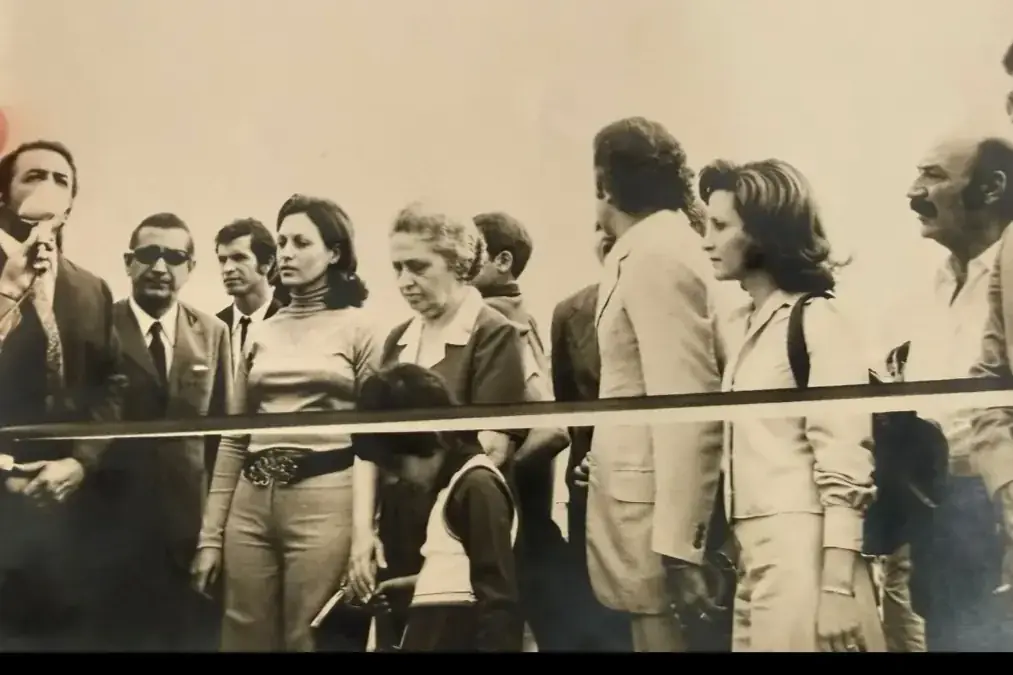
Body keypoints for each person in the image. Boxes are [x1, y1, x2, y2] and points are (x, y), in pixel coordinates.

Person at [699, 157, 884, 652]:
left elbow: (844, 459)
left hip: (803, 552)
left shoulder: (817, 320)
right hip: (755, 556)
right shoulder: (743, 326)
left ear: (764, 232)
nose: (706, 241)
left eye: (720, 226)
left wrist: (837, 588)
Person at [192, 194, 380, 652]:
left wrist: (365, 532)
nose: (287, 253)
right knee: (243, 633)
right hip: (250, 503)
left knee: (308, 635)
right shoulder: (261, 331)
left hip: (326, 500)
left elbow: (374, 441)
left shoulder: (362, 329)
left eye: (301, 242)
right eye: (282, 242)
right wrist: (210, 537)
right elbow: (234, 437)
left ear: (334, 252)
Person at [351, 202, 528, 648]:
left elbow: (492, 448)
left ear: (457, 262)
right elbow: (372, 446)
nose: (404, 281)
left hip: (460, 533)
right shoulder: (398, 339)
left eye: (417, 266)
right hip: (399, 528)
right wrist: (363, 533)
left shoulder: (494, 333)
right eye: (397, 268)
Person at [584, 117, 725, 652]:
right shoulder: (646, 250)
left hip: (655, 520)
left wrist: (680, 546)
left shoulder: (659, 255)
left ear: (604, 183)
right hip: (637, 504)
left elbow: (686, 405)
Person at [0, 140, 123, 650]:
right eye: (33, 176)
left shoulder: (91, 289)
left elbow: (112, 384)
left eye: (61, 179)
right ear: (4, 195)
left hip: (66, 502)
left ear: (71, 204)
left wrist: (80, 461)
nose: (48, 187)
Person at [105, 212, 233, 651]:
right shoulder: (99, 325)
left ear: (190, 267)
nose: (160, 267)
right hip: (111, 527)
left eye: (175, 257)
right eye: (149, 254)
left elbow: (222, 439)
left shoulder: (213, 333)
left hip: (187, 531)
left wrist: (214, 535)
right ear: (128, 262)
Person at [353, 363, 524, 652]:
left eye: (396, 465)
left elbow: (498, 600)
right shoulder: (451, 489)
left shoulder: (476, 486)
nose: (394, 478)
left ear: (431, 439)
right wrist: (413, 586)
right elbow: (462, 576)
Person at [928, 136, 1013, 652]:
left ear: (992, 188)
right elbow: (987, 383)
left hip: (988, 505)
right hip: (947, 509)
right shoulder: (933, 286)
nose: (914, 191)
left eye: (934, 175)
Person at [471, 210, 570, 650]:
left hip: (517, 523)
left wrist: (490, 480)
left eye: (472, 252)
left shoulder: (500, 322)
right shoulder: (517, 316)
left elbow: (552, 430)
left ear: (503, 261)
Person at [549, 221, 631, 651]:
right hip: (590, 488)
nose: (608, 235)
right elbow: (571, 409)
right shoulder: (570, 313)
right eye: (600, 227)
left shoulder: (674, 299)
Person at [214, 218, 283, 376]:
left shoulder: (288, 324)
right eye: (222, 260)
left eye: (239, 258)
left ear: (268, 263)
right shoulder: (214, 328)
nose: (227, 269)